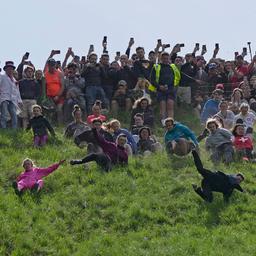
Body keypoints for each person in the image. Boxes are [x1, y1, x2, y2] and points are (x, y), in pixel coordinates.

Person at [150, 52, 181, 121]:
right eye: (164, 58)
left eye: (167, 58)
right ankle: (163, 122)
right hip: (160, 89)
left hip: (170, 88)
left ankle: (171, 122)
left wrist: (174, 86)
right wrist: (159, 87)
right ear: (161, 58)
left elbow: (177, 77)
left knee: (170, 105)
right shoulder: (156, 66)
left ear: (169, 59)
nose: (165, 60)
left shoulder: (172, 66)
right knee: (162, 106)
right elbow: (152, 80)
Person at [0, 61, 23, 128]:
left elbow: (17, 91)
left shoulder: (15, 80)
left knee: (14, 115)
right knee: (3, 114)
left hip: (12, 100)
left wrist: (20, 100)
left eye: (11, 69)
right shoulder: (2, 77)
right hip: (4, 98)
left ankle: (14, 130)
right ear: (5, 69)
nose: (10, 70)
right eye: (8, 68)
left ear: (13, 70)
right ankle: (3, 128)